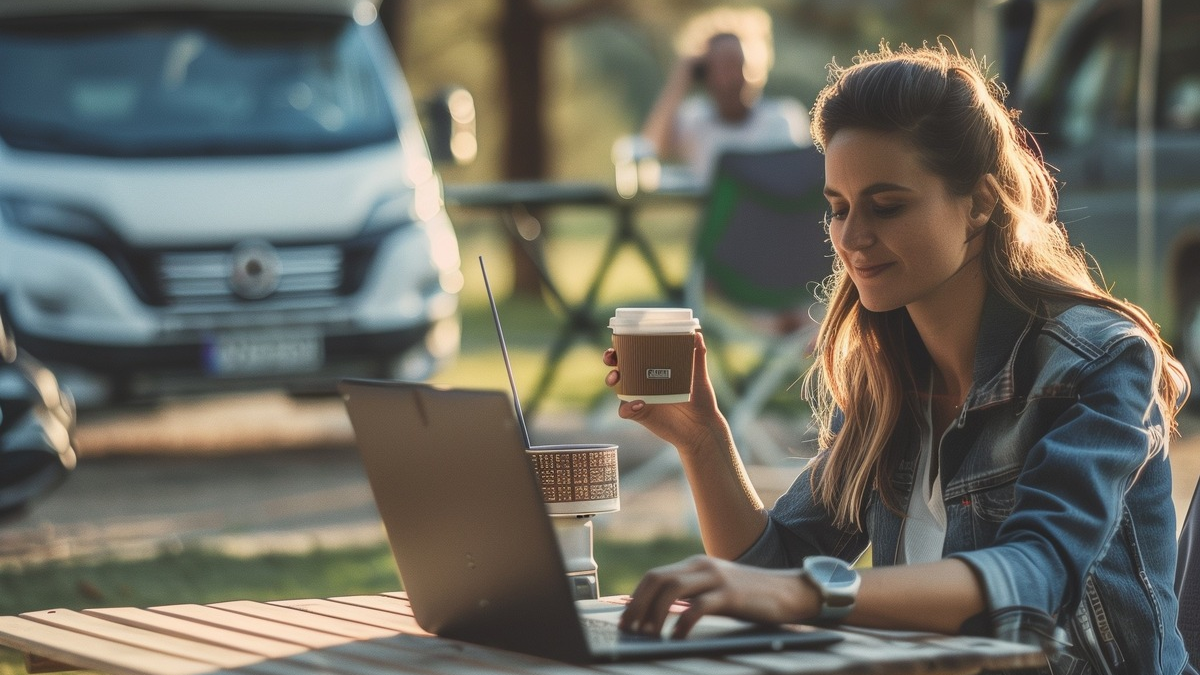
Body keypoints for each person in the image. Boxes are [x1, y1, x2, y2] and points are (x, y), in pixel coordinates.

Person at [604, 42, 1193, 674]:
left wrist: (806, 594)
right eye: (837, 209)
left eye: (887, 206)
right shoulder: (891, 380)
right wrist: (704, 442)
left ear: (980, 203)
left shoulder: (1096, 362)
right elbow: (766, 576)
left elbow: (1038, 574)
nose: (852, 238)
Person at [639, 28, 810, 187]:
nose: (731, 79)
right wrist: (681, 78)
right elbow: (651, 147)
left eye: (737, 64)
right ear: (705, 75)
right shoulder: (695, 119)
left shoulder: (783, 119)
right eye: (720, 68)